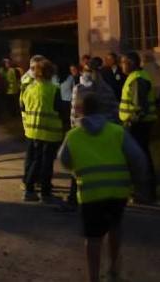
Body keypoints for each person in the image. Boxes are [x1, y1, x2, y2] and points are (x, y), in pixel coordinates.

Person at [58, 93, 150, 282]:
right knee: (114, 228)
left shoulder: (73, 136)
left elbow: (64, 160)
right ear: (101, 109)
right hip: (118, 192)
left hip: (91, 193)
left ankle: (94, 278)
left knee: (93, 238)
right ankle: (113, 271)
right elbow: (138, 158)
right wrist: (138, 183)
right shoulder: (117, 131)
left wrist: (77, 168)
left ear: (81, 110)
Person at [58, 59, 119, 212]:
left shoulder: (79, 89)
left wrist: (74, 132)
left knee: (79, 170)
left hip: (84, 133)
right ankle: (103, 198)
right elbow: (114, 113)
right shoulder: (107, 89)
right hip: (105, 134)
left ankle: (74, 200)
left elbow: (74, 115)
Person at [20, 59, 63, 203]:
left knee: (35, 161)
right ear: (50, 73)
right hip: (50, 131)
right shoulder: (54, 90)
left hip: (32, 130)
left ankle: (29, 190)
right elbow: (60, 109)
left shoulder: (29, 88)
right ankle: (45, 193)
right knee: (47, 163)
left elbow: (23, 107)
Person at [119, 52, 158, 202]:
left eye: (124, 62)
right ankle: (144, 192)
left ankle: (144, 193)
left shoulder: (137, 79)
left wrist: (131, 122)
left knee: (139, 159)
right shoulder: (137, 77)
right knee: (141, 157)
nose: (122, 65)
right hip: (138, 124)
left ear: (131, 63)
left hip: (137, 126)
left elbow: (139, 107)